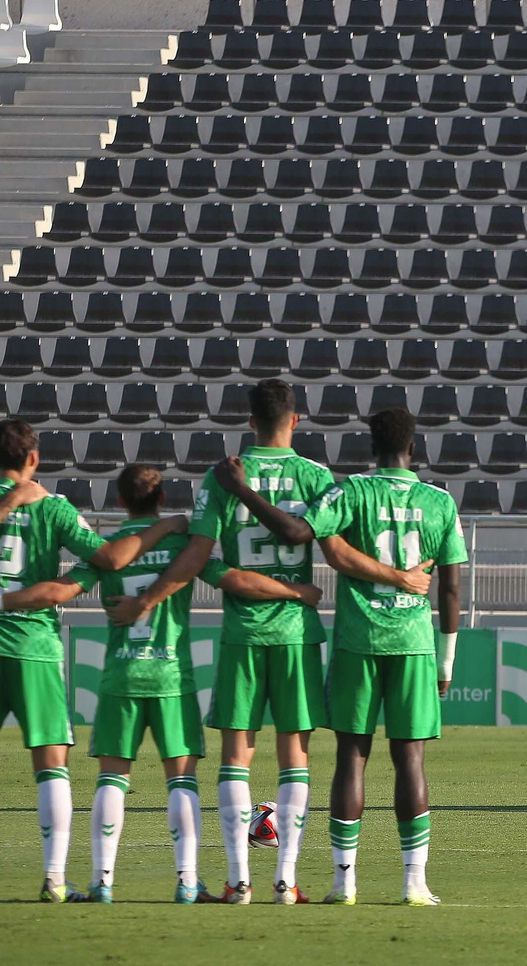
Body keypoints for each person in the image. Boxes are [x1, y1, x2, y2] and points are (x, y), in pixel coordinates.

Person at [107, 380, 425, 903]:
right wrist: (384, 579)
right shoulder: (317, 476)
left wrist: (147, 600)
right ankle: (286, 879)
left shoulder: (221, 478)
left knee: (237, 757)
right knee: (293, 757)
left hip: (243, 634)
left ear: (249, 422)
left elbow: (201, 559)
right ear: (294, 421)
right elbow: (338, 552)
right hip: (298, 633)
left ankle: (238, 881)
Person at [0, 464, 321, 903]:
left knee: (112, 779)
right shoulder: (181, 545)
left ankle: (102, 882)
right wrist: (296, 592)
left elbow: (58, 591)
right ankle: (189, 882)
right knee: (182, 779)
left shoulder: (110, 550)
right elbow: (237, 581)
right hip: (172, 677)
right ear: (163, 499)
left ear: (119, 501)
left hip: (120, 678)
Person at [215, 407, 467, 904]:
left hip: (357, 640)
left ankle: (343, 882)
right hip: (414, 642)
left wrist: (243, 490)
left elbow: (298, 533)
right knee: (410, 759)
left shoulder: (350, 492)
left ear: (371, 450)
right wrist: (446, 660)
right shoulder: (441, 502)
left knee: (352, 757)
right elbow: (452, 589)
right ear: (413, 449)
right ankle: (414, 884)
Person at [0, 420, 186, 904]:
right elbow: (111, 559)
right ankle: (54, 880)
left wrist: (3, 503)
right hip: (37, 650)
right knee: (51, 766)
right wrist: (164, 528)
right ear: (34, 459)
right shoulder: (55, 509)